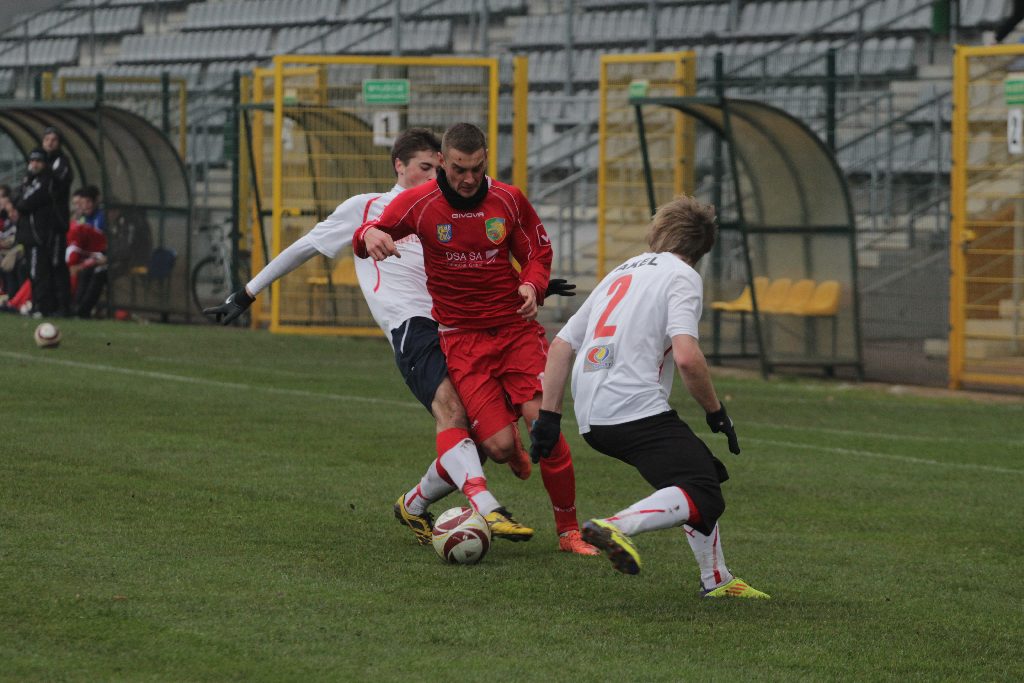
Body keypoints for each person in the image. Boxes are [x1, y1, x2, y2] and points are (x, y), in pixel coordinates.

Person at [204, 128, 565, 546]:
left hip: (462, 326)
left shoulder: (443, 208)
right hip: (412, 326)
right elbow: (305, 246)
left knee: (484, 440)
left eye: (438, 167)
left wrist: (527, 285)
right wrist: (247, 293)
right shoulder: (368, 208)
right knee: (452, 413)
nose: (435, 175)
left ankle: (414, 504)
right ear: (399, 165)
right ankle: (486, 506)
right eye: (425, 167)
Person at [355, 122, 599, 556]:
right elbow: (369, 234)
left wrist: (532, 285)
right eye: (458, 169)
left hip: (515, 331)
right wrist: (368, 235)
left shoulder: (508, 199)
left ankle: (568, 532)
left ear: (486, 159)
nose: (468, 178)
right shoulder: (419, 203)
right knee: (499, 447)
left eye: (477, 168)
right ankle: (505, 447)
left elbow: (537, 252)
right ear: (442, 162)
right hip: (462, 340)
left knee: (544, 424)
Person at [529, 194, 770, 598]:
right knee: (703, 491)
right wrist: (716, 412)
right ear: (704, 247)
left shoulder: (621, 270)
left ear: (658, 231)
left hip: (593, 415)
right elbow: (688, 357)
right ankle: (614, 527)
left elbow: (561, 345)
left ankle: (716, 579)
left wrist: (549, 419)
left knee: (701, 475)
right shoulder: (682, 276)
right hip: (632, 407)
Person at [14, 149, 67, 318]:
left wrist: (20, 201)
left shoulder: (46, 180)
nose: (34, 164)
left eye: (38, 161)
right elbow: (17, 197)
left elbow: (24, 203)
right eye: (32, 161)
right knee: (33, 271)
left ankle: (42, 307)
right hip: (28, 234)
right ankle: (38, 305)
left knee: (39, 272)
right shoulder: (29, 179)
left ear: (44, 164)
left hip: (38, 234)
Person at [66, 185, 108, 318]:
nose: (85, 206)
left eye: (88, 202)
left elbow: (104, 246)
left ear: (96, 201)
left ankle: (81, 310)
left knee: (89, 271)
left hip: (104, 258)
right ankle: (74, 306)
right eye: (82, 203)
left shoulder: (102, 218)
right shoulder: (82, 218)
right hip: (90, 257)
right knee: (78, 270)